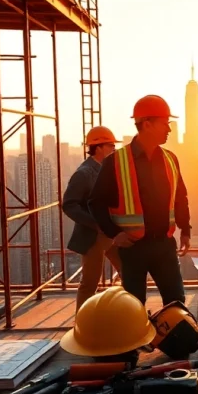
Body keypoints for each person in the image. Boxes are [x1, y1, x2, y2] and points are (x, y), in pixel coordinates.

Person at [88, 94, 191, 307]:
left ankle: (175, 341)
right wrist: (115, 234)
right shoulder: (116, 162)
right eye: (165, 124)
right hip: (133, 248)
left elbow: (180, 198)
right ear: (147, 124)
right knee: (134, 306)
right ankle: (138, 341)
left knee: (176, 302)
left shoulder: (170, 159)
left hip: (164, 245)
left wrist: (186, 230)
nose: (169, 130)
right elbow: (96, 202)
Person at [63, 125, 123, 309]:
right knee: (90, 283)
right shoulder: (84, 174)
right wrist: (95, 223)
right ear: (98, 148)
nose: (114, 148)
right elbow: (69, 204)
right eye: (110, 145)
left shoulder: (104, 169)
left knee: (129, 271)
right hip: (94, 236)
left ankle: (126, 314)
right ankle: (82, 324)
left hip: (110, 232)